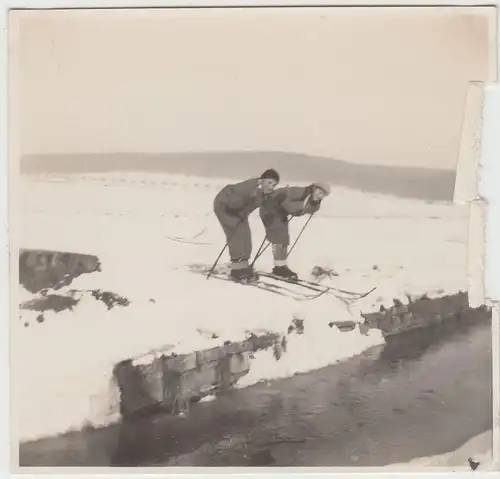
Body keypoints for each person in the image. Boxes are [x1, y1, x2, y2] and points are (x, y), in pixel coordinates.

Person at [213, 169, 280, 282]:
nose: (271, 187)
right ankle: (236, 270)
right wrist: (242, 209)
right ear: (261, 180)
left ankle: (243, 264)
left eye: (274, 185)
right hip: (224, 206)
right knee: (236, 235)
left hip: (239, 211)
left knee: (245, 235)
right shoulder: (248, 187)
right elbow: (233, 202)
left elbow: (252, 206)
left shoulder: (262, 194)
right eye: (269, 182)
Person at [259, 181, 331, 280]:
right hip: (269, 208)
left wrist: (312, 205)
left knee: (283, 238)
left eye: (323, 195)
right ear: (314, 189)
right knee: (279, 236)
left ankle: (280, 266)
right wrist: (302, 205)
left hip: (280, 212)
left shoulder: (314, 202)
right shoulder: (299, 192)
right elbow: (286, 204)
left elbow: (303, 210)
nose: (320, 195)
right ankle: (279, 268)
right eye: (319, 192)